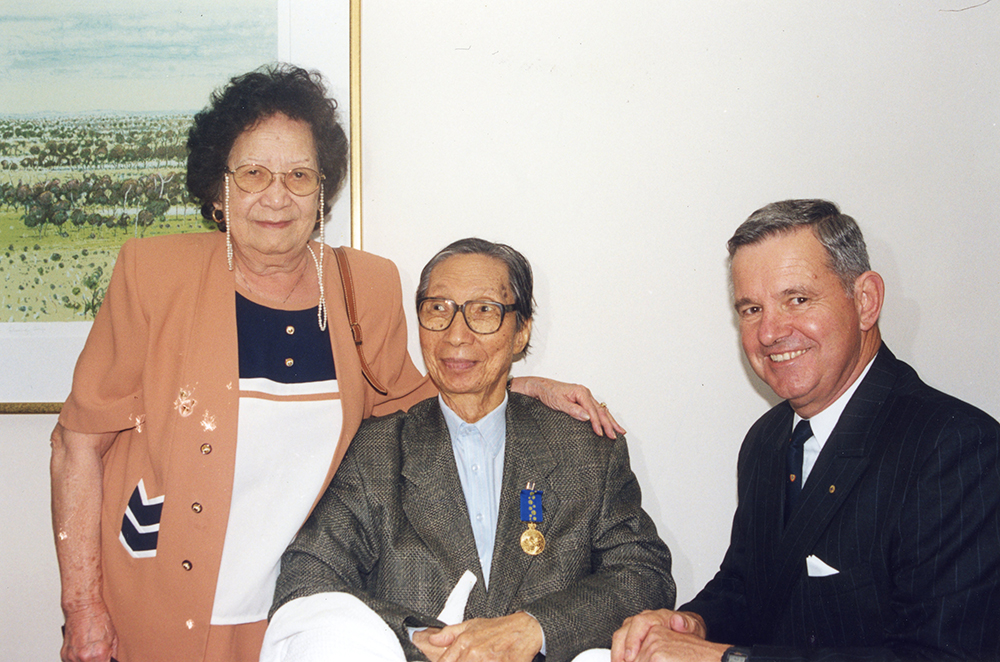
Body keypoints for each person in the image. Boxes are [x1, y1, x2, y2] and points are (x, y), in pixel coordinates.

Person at [49, 65, 621, 662]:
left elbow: (414, 406)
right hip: (157, 599)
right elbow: (77, 445)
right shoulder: (155, 275)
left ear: (322, 190)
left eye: (299, 175)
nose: (277, 197)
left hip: (295, 609)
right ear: (220, 187)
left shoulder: (363, 285)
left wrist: (517, 385)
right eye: (253, 174)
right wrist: (82, 607)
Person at [611, 199, 1000, 662]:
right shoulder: (767, 439)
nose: (769, 332)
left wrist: (724, 659)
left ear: (866, 301)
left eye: (797, 299)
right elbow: (748, 586)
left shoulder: (956, 448)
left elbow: (944, 656)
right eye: (751, 309)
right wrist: (690, 623)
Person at [262, 238, 675, 662]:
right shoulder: (377, 452)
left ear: (521, 331)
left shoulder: (582, 449)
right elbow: (305, 582)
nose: (456, 335)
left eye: (483, 311)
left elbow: (645, 575)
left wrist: (536, 628)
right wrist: (416, 636)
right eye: (438, 309)